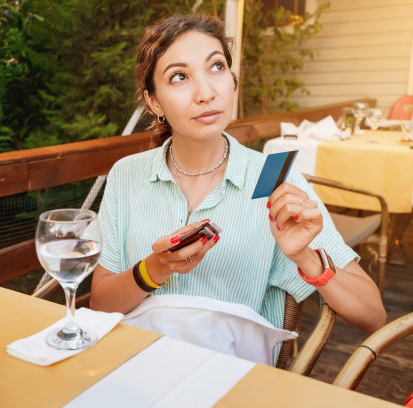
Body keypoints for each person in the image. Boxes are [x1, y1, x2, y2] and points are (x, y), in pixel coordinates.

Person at [89, 14, 386, 361]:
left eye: (216, 67)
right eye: (180, 77)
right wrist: (157, 267)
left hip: (233, 380)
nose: (206, 93)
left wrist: (305, 257)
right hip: (137, 366)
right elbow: (101, 304)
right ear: (154, 102)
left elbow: (374, 316)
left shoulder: (274, 179)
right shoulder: (127, 175)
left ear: (232, 80)